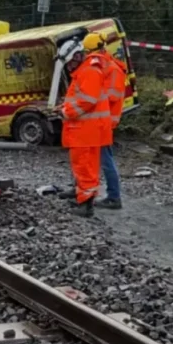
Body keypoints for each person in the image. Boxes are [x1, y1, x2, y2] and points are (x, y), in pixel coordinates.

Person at [58, 41, 112, 217]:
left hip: (85, 130)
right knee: (86, 167)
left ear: (78, 56)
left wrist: (66, 112)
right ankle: (83, 198)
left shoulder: (89, 72)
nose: (68, 66)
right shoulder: (86, 70)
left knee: (84, 167)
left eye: (70, 62)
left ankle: (86, 205)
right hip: (85, 130)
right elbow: (83, 99)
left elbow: (87, 101)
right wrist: (65, 107)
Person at [84, 33, 125, 210]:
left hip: (104, 122)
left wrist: (90, 97)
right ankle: (85, 190)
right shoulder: (103, 67)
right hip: (97, 121)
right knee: (90, 158)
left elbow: (111, 97)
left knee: (106, 160)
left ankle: (114, 197)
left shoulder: (113, 70)